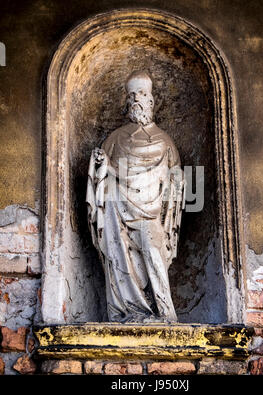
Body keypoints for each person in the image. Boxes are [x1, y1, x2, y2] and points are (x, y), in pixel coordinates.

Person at [86, 71, 185, 323]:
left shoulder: (165, 142)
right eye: (132, 96)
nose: (137, 100)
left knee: (153, 252)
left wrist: (175, 187)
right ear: (127, 103)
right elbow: (103, 173)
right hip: (118, 210)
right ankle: (125, 312)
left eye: (142, 95)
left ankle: (165, 314)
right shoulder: (115, 139)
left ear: (151, 101)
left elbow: (177, 179)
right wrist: (100, 166)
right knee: (119, 256)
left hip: (151, 213)